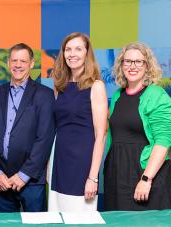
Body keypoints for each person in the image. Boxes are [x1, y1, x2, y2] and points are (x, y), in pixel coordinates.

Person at [0, 43, 55, 212]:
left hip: (31, 181)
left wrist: (23, 175)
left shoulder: (45, 95)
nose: (18, 65)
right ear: (8, 63)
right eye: (14, 60)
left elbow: (44, 139)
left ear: (31, 64)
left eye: (23, 61)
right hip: (1, 181)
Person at [104, 43, 171, 211]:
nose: (132, 66)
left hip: (144, 173)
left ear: (147, 66)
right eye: (127, 61)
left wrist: (146, 179)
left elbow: (163, 142)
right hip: (117, 173)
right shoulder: (117, 95)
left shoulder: (157, 95)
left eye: (139, 62)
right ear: (121, 65)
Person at [48, 32, 108, 211]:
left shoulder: (96, 86)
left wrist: (93, 177)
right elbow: (57, 130)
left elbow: (101, 136)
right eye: (68, 49)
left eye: (78, 49)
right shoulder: (60, 86)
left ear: (87, 53)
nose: (72, 54)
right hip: (59, 163)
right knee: (57, 218)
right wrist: (48, 166)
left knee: (79, 217)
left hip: (82, 166)